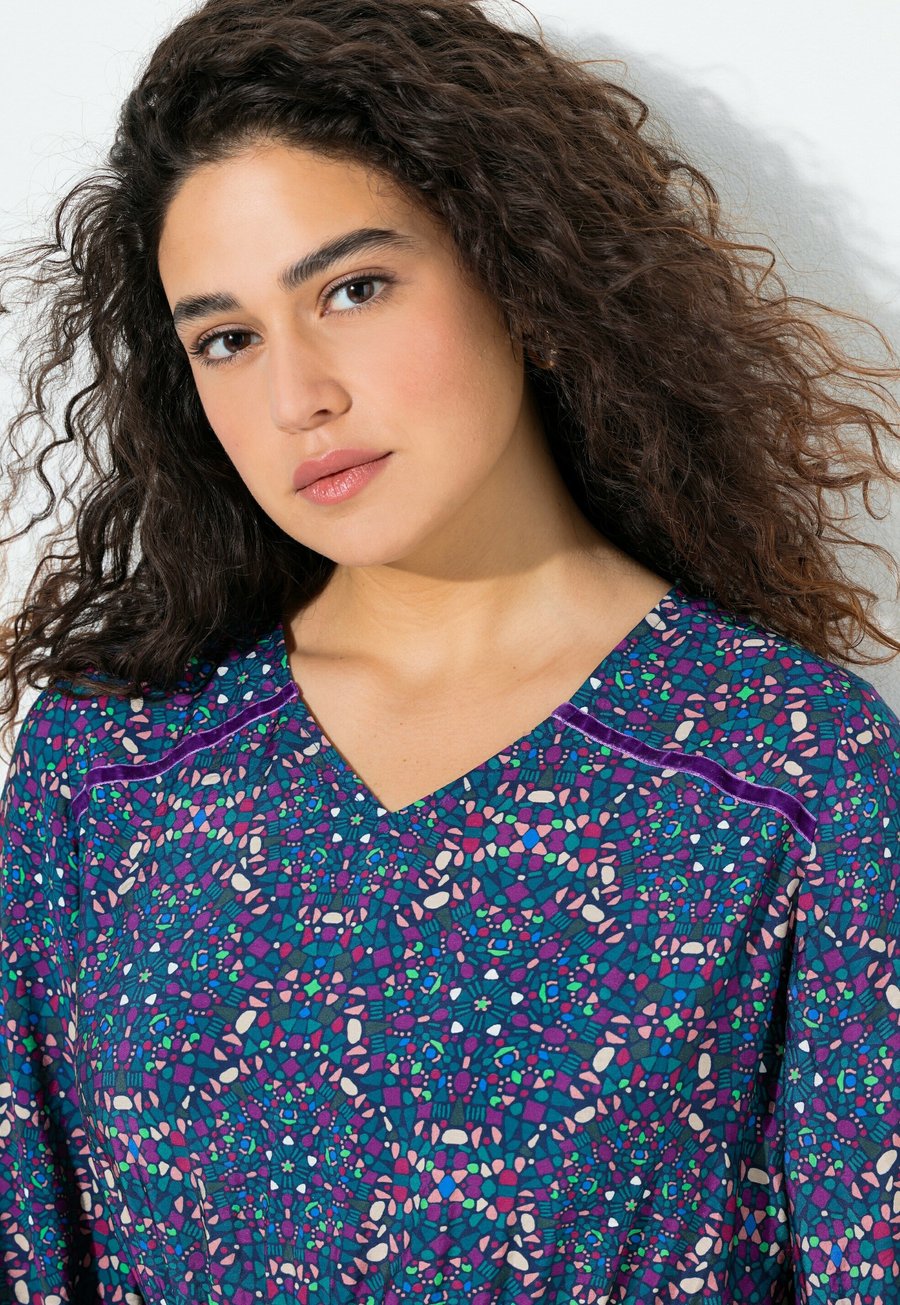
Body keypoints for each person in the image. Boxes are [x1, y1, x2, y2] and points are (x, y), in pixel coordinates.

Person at [1, 0, 899, 1300]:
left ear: (519, 276)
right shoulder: (109, 765)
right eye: (228, 338)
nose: (297, 396)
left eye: (353, 289)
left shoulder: (787, 774)